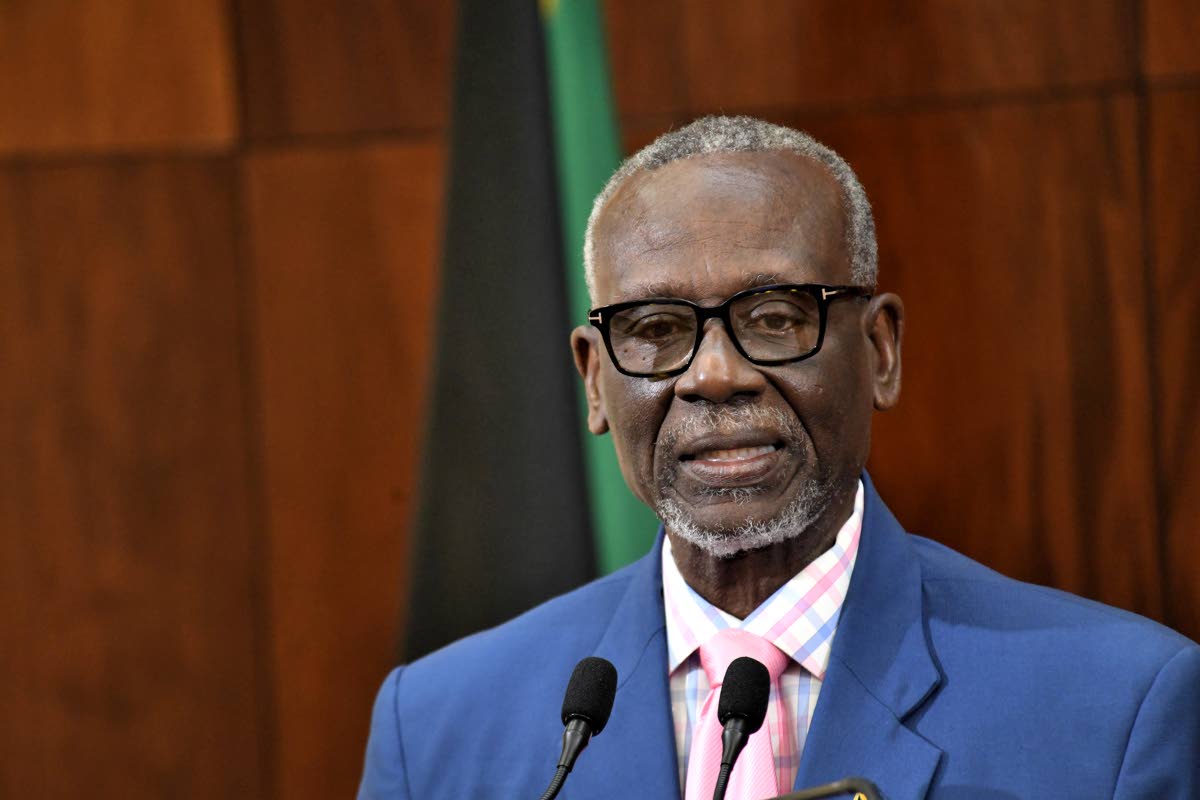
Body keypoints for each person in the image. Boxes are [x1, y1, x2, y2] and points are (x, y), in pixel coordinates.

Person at [357, 116, 1200, 799]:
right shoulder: (435, 728)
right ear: (594, 381)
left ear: (880, 351)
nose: (714, 376)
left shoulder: (1117, 709)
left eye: (774, 318)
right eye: (655, 329)